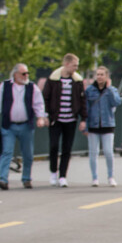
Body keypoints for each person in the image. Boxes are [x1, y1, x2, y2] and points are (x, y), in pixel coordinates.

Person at [0, 63, 49, 190]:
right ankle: (3, 179)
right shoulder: (5, 86)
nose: (26, 76)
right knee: (7, 152)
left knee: (28, 154)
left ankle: (26, 178)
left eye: (27, 73)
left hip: (26, 125)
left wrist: (40, 118)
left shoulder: (32, 87)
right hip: (9, 125)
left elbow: (38, 104)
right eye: (23, 73)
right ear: (15, 74)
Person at [40, 53, 85, 187]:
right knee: (54, 146)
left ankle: (63, 176)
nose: (76, 68)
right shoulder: (53, 80)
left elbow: (82, 101)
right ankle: (53, 171)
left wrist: (83, 119)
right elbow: (45, 98)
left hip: (70, 119)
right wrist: (46, 115)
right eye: (74, 65)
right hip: (56, 119)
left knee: (67, 148)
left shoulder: (77, 81)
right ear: (66, 64)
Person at [84, 65, 121, 187]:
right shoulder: (90, 90)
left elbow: (116, 102)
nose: (99, 77)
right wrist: (85, 125)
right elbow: (86, 108)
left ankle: (111, 176)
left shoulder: (112, 90)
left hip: (107, 124)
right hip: (93, 125)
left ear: (107, 77)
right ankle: (94, 177)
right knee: (93, 152)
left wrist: (109, 89)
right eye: (98, 74)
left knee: (108, 152)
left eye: (102, 74)